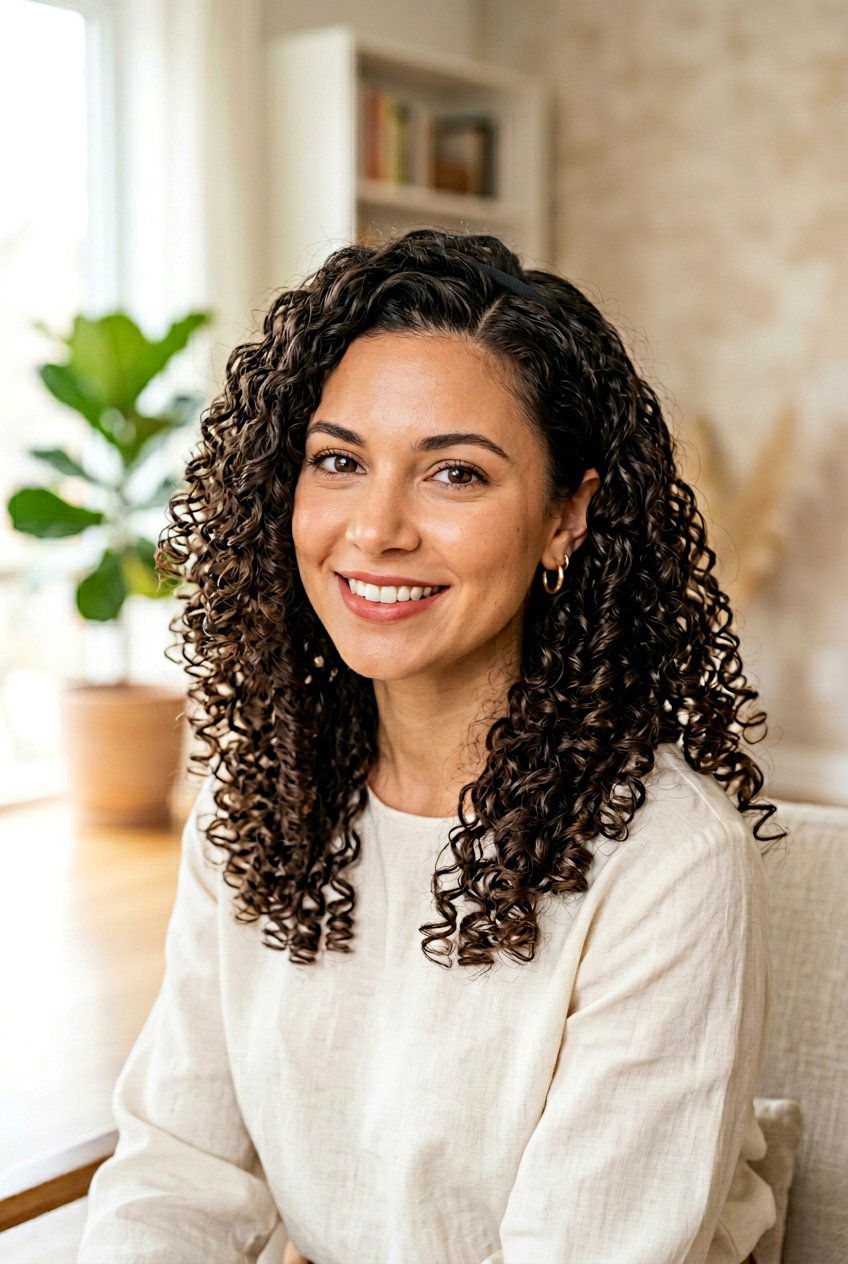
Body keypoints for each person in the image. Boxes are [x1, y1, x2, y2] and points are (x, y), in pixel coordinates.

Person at [77, 228, 784, 1264]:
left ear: (565, 518)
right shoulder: (262, 797)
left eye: (453, 474)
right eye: (337, 461)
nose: (374, 528)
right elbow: (177, 1172)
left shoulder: (670, 861)